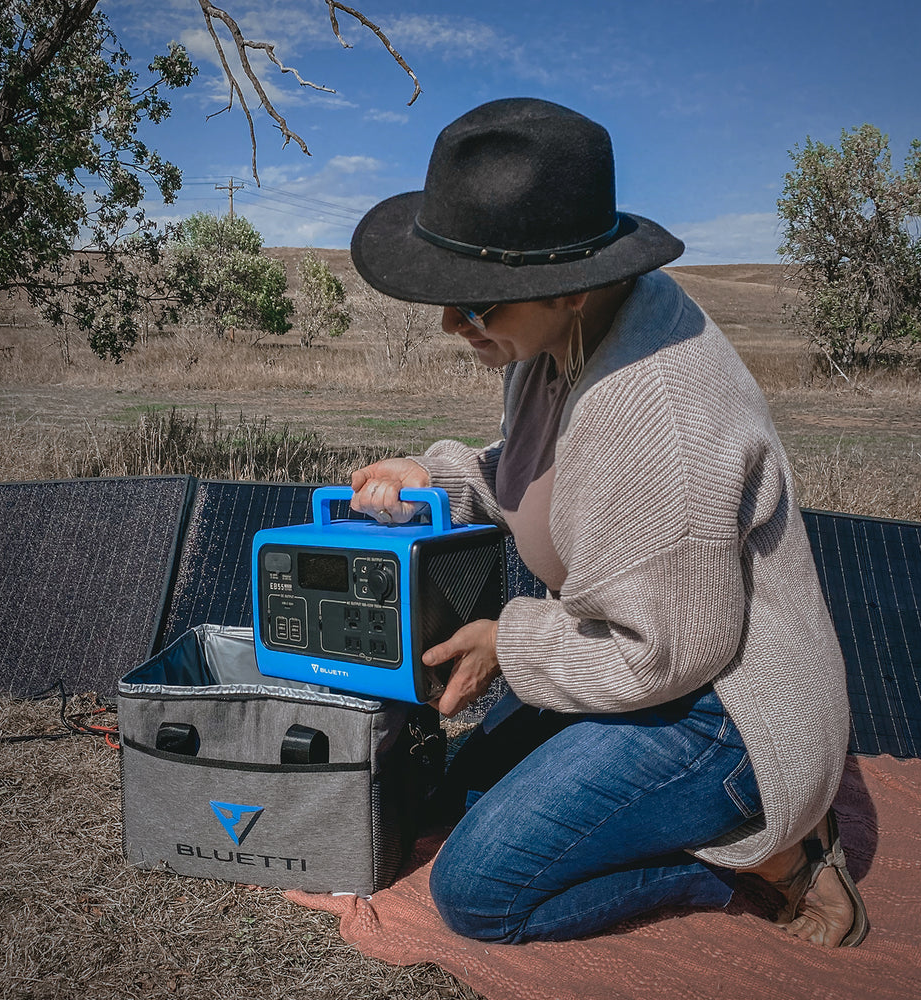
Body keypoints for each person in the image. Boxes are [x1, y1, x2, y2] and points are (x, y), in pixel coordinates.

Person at [347, 97, 869, 947]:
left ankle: (763, 858)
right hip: (649, 666)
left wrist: (508, 645)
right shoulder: (569, 333)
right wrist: (434, 479)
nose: (450, 323)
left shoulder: (656, 410)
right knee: (458, 798)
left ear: (570, 285)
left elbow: (668, 652)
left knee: (480, 891)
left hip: (720, 713)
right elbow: (544, 474)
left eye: (475, 303)